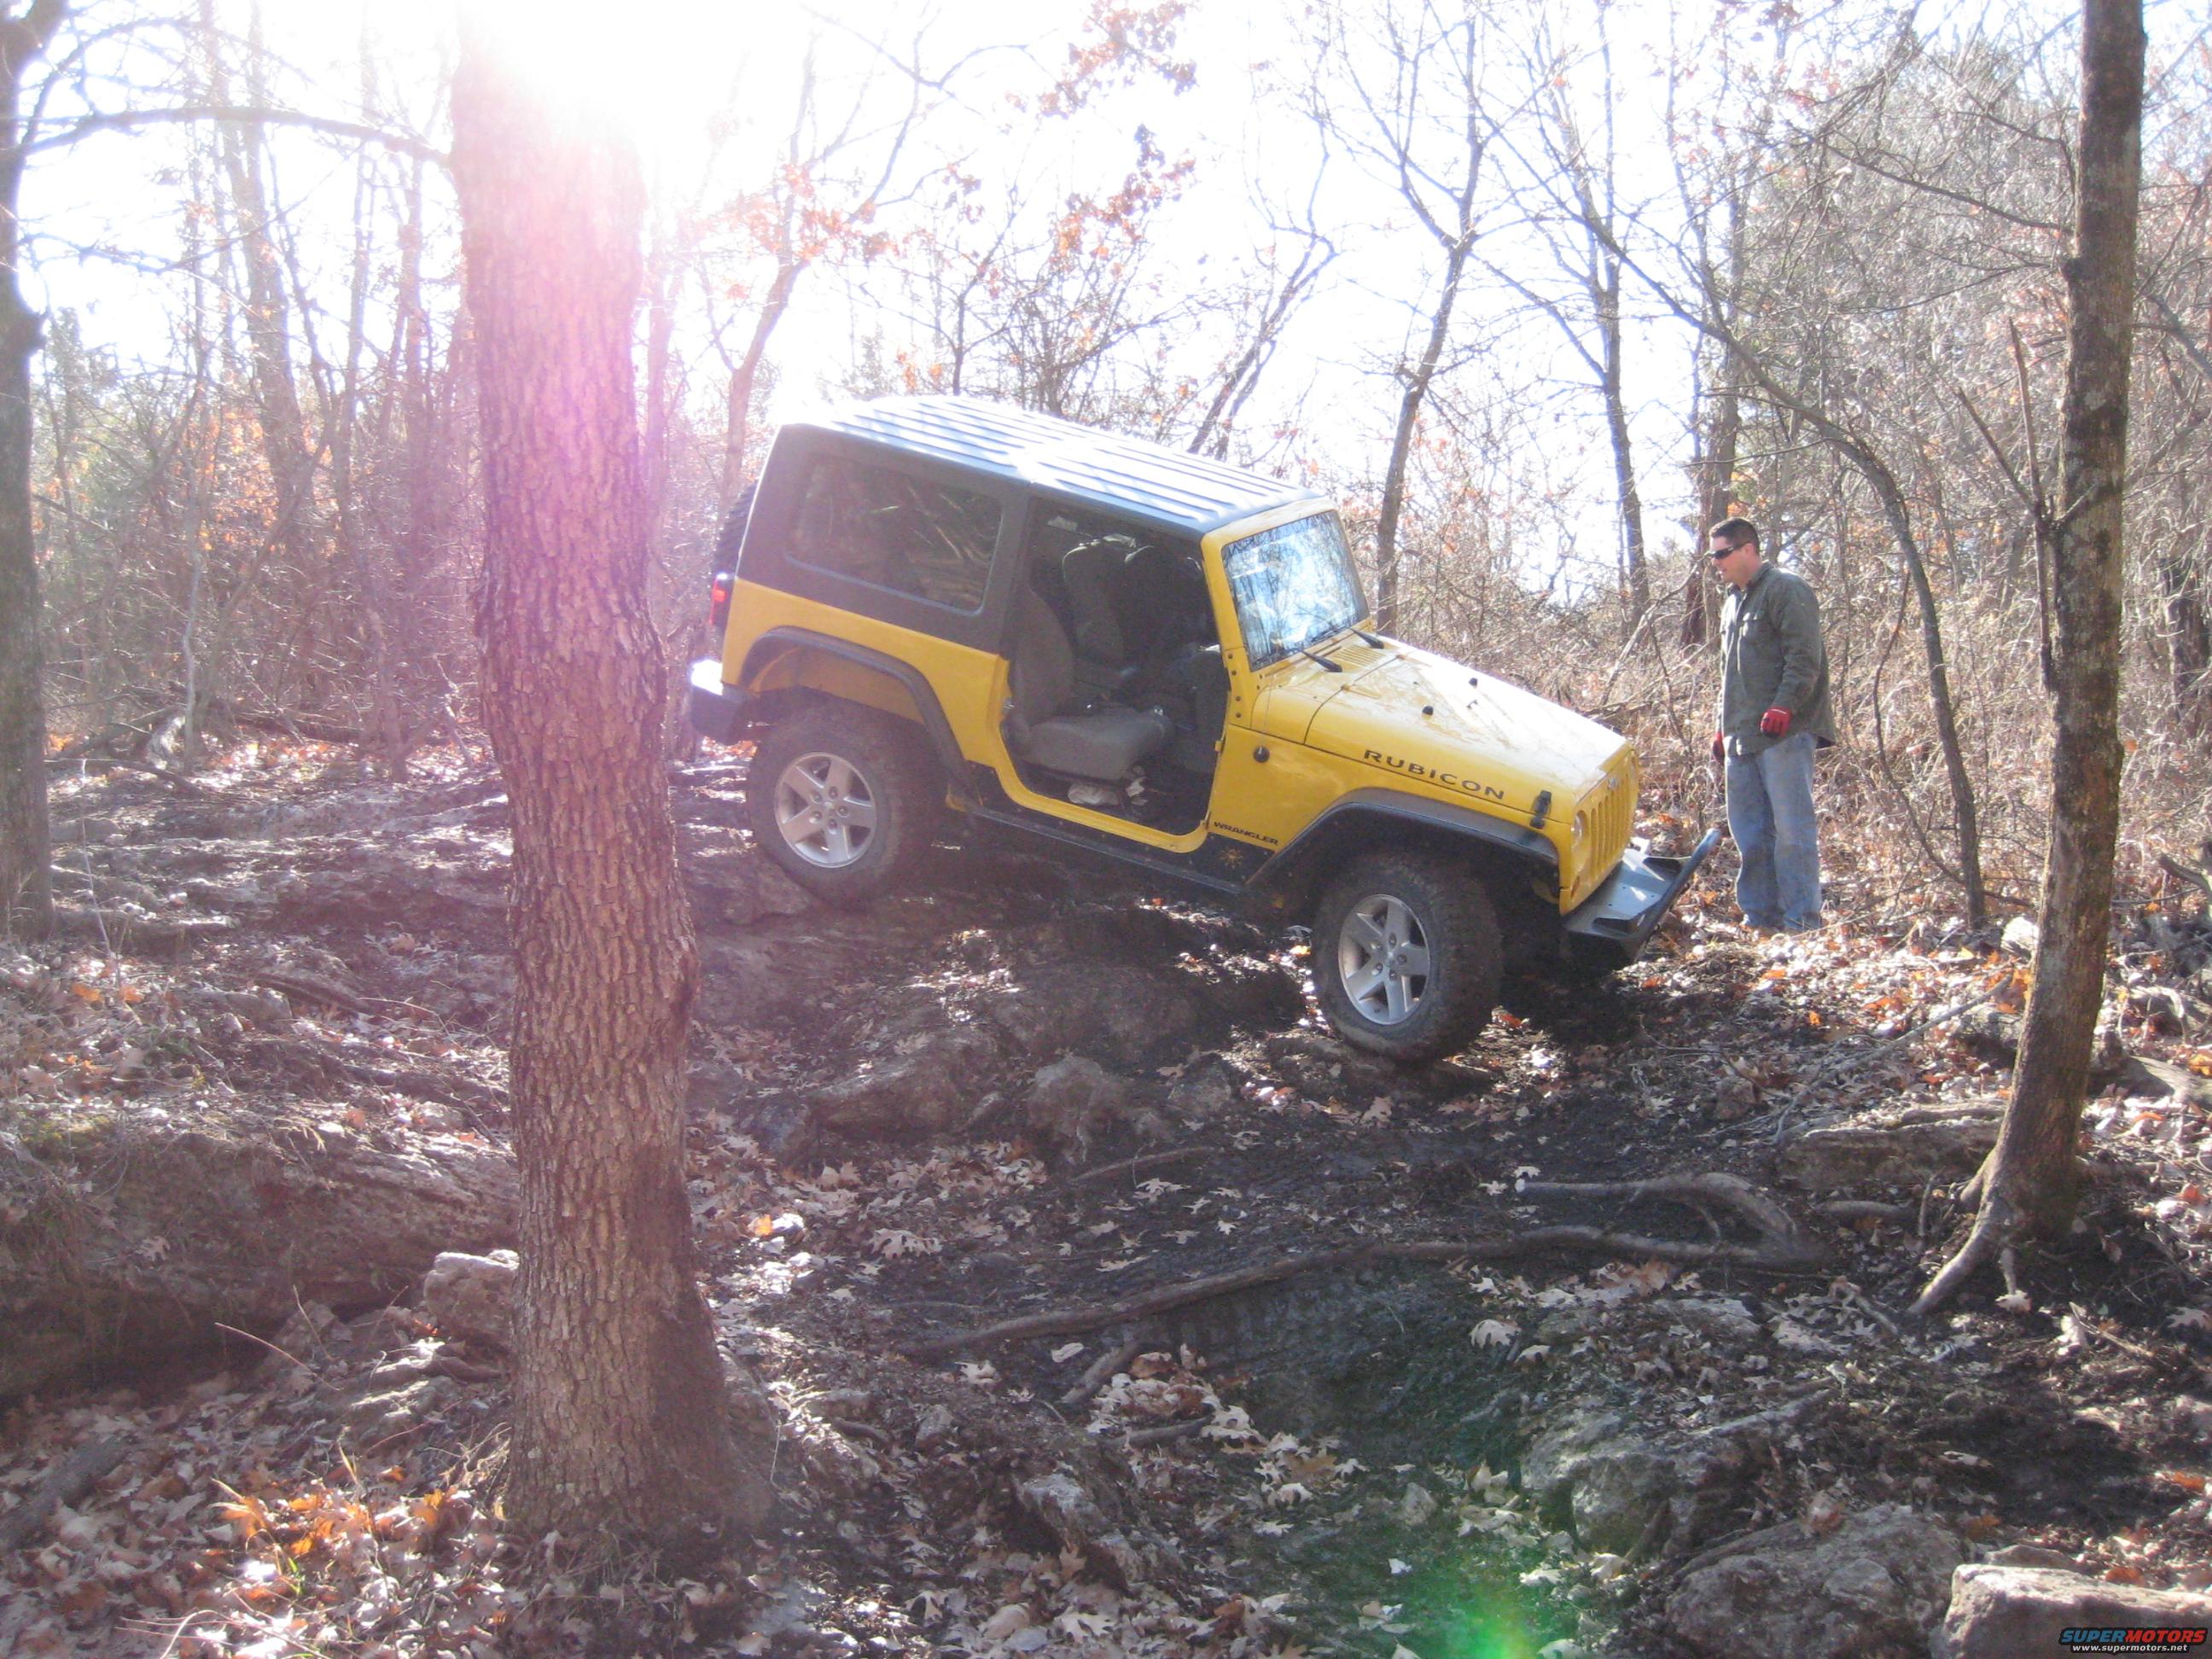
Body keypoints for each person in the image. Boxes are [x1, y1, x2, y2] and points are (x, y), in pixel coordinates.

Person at [1708, 515, 1834, 933]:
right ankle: (1761, 919)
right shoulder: (1732, 601)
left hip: (1785, 735)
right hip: (1740, 735)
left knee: (1792, 833)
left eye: (1723, 553)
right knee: (1750, 834)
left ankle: (1802, 923)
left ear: (1749, 549)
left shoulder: (1787, 589)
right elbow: (1727, 673)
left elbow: (1805, 658)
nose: (1716, 562)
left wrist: (1784, 707)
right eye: (1712, 555)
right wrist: (1721, 726)